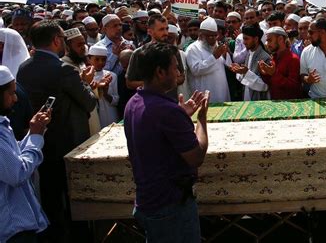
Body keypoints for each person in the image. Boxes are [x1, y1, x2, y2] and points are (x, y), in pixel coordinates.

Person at [17, 20, 97, 242]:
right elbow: (89, 103)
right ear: (56, 40)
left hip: (41, 143)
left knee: (51, 196)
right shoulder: (63, 69)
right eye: (63, 37)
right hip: (70, 143)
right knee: (76, 198)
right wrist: (87, 83)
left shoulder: (24, 68)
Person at [124, 43, 210, 243]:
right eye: (174, 67)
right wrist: (202, 121)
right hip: (170, 204)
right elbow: (196, 157)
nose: (179, 72)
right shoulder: (166, 110)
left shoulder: (134, 102)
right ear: (160, 72)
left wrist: (181, 116)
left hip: (149, 200)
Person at [0, 65, 51, 243]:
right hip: (12, 229)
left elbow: (13, 157)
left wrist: (34, 131)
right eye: (11, 93)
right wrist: (36, 138)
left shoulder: (3, 124)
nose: (15, 99)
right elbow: (17, 173)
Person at [186, 17, 231, 103]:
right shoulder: (193, 49)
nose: (213, 39)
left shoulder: (216, 46)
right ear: (201, 35)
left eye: (215, 35)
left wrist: (225, 55)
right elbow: (196, 70)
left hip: (221, 92)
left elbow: (226, 65)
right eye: (209, 36)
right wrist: (214, 57)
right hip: (204, 94)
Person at [230, 25, 271, 101]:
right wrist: (239, 70)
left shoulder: (265, 58)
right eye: (243, 39)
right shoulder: (249, 53)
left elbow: (265, 86)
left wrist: (246, 73)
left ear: (255, 39)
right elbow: (245, 78)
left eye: (246, 39)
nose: (244, 42)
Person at [259, 26, 302, 100]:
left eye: (270, 40)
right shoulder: (274, 57)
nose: (267, 44)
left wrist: (274, 74)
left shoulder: (293, 59)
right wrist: (264, 73)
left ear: (280, 39)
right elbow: (271, 83)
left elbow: (293, 87)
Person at [88, 45, 119, 128]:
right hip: (94, 116)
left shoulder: (112, 75)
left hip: (110, 114)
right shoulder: (86, 77)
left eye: (103, 59)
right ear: (89, 59)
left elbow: (116, 100)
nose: (100, 62)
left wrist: (105, 94)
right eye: (97, 59)